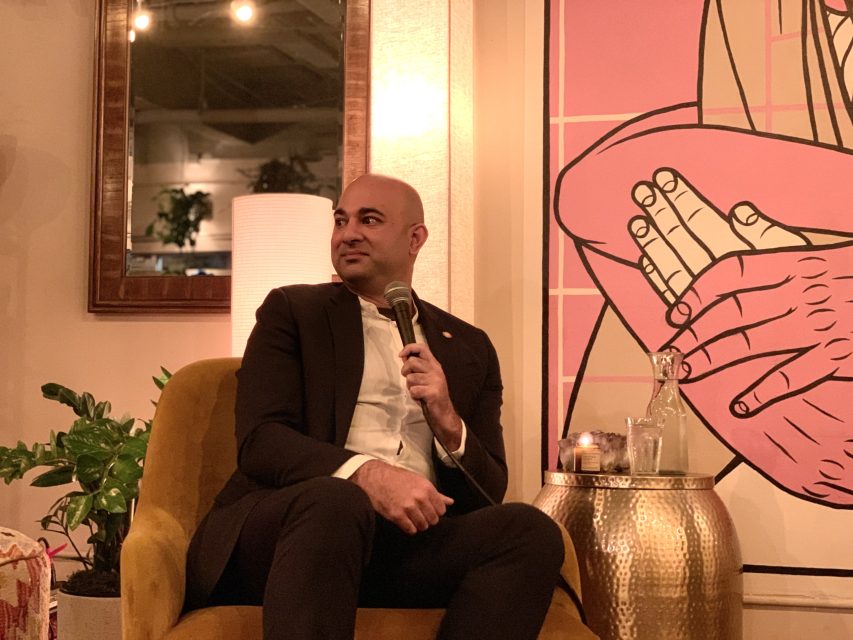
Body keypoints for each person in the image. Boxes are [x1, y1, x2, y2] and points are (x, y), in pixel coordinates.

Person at [184, 174, 564, 639]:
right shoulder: (292, 312)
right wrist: (369, 474)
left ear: (415, 238)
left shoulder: (467, 347)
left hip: (403, 545)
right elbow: (262, 442)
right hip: (294, 532)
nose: (348, 233)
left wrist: (448, 421)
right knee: (336, 499)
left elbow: (488, 493)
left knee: (528, 530)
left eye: (369, 220)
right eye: (341, 220)